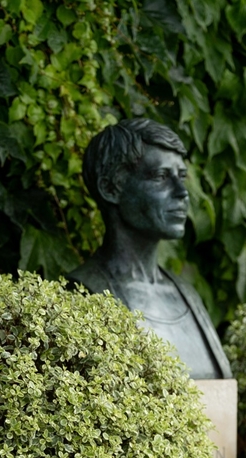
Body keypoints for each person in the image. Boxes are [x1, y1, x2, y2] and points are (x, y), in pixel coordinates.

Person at [68, 119, 231, 379]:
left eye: (181, 177)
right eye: (161, 176)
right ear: (111, 189)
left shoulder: (187, 295)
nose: (182, 193)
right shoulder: (81, 297)